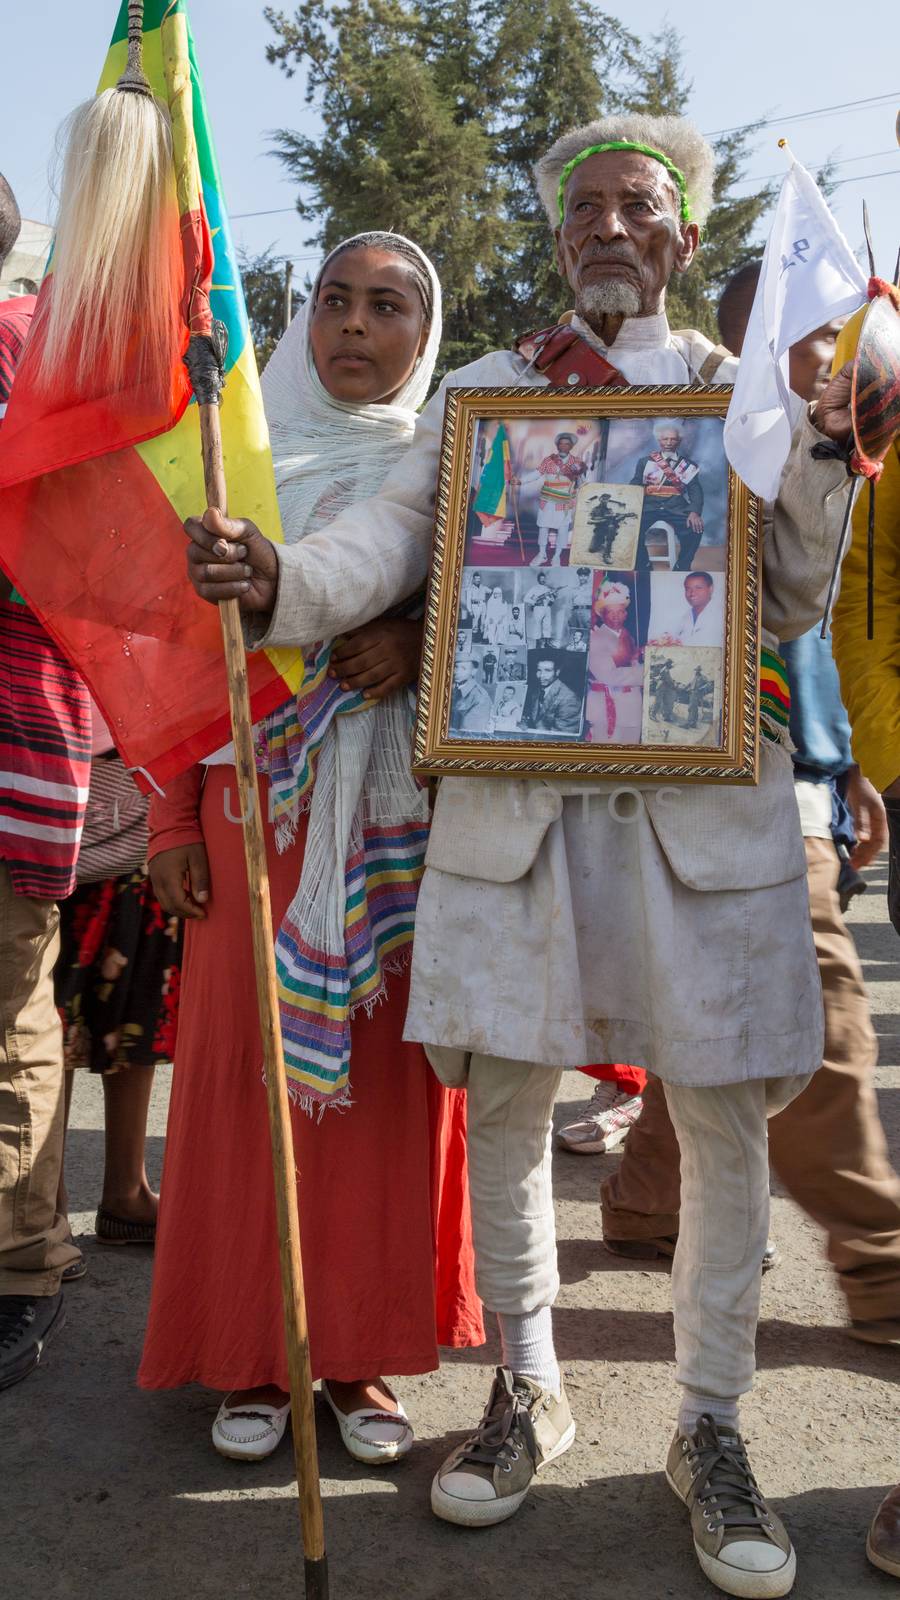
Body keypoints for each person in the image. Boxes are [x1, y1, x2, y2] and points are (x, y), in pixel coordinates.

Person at [184, 120, 856, 1596]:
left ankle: (712, 1425)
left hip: (703, 821)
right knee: (505, 1119)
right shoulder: (489, 396)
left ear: (683, 237)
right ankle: (525, 1392)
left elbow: (796, 596)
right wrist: (286, 583)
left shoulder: (740, 394)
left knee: (721, 1131)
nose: (609, 227)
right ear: (560, 238)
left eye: (638, 207)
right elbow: (397, 539)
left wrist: (823, 446)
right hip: (513, 820)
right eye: (585, 210)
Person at [140, 234, 483, 1464]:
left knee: (384, 1096)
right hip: (251, 825)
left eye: (386, 306)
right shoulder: (243, 465)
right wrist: (174, 819)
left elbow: (498, 628)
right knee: (248, 1093)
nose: (354, 325)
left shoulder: (456, 474)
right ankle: (253, 1355)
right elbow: (181, 657)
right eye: (333, 300)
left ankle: (359, 1360)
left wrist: (409, 641)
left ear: (420, 336)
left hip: (400, 836)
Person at [0, 175, 90, 1390]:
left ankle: (19, 1263)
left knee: (7, 1004)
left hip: (14, 724)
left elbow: (76, 542)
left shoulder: (40, 355)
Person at [54, 703, 182, 1261]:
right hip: (50, 780)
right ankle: (42, 1211)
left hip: (139, 780)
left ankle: (126, 1193)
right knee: (43, 1024)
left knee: (138, 1010)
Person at [632, 419, 704, 570]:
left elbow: (695, 490)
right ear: (659, 440)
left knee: (695, 528)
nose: (669, 442)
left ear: (679, 441)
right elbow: (635, 484)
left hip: (676, 507)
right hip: (649, 506)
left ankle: (682, 566)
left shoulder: (688, 465)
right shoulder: (644, 462)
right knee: (629, 526)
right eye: (665, 439)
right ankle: (643, 563)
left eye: (673, 439)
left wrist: (694, 511)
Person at [585, 580, 643, 744]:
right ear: (602, 615)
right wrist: (648, 673)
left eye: (620, 611)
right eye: (611, 612)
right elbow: (610, 676)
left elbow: (632, 665)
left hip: (632, 708)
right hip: (605, 708)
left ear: (626, 614)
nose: (616, 616)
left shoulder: (628, 636)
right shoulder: (594, 638)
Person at [519, 431, 588, 566]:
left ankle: (557, 556)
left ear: (571, 446)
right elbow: (536, 473)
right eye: (560, 444)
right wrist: (521, 481)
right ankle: (542, 554)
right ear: (557, 445)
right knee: (543, 527)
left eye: (566, 444)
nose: (563, 446)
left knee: (562, 528)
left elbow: (581, 482)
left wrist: (582, 483)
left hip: (565, 501)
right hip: (548, 499)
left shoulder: (577, 463)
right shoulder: (548, 460)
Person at [522, 652, 584, 734]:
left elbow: (561, 736)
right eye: (539, 670)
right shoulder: (536, 691)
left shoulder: (570, 699)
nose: (541, 675)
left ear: (557, 672)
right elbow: (531, 719)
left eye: (547, 671)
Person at [673, 571, 721, 645]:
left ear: (711, 589)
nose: (692, 593)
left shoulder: (721, 615)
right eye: (688, 589)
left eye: (698, 588)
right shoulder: (684, 617)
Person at [451, 654, 492, 732]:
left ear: (473, 671)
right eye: (456, 667)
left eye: (463, 668)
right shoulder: (453, 687)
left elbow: (468, 734)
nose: (456, 672)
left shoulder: (481, 697)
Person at [587, 490, 630, 563]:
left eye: (607, 499)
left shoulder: (610, 510)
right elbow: (589, 521)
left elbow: (615, 520)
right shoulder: (595, 509)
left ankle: (607, 554)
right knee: (592, 550)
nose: (605, 500)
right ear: (600, 499)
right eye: (604, 498)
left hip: (608, 530)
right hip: (599, 531)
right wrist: (603, 520)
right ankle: (601, 541)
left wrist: (621, 517)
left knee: (611, 528)